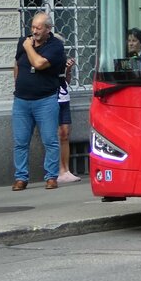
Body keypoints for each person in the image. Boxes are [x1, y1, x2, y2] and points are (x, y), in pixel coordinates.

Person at [12, 11, 66, 191]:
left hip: (45, 100)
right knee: (20, 142)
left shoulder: (55, 46)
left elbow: (39, 64)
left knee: (50, 140)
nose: (34, 31)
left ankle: (51, 177)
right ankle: (21, 178)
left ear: (48, 29)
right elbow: (17, 65)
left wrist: (29, 47)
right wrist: (18, 85)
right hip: (21, 100)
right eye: (32, 27)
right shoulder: (23, 41)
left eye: (38, 28)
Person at [56, 54, 80, 184]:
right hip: (50, 98)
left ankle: (65, 170)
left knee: (65, 134)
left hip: (63, 98)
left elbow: (66, 81)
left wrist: (68, 69)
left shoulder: (60, 59)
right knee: (54, 136)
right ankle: (55, 170)